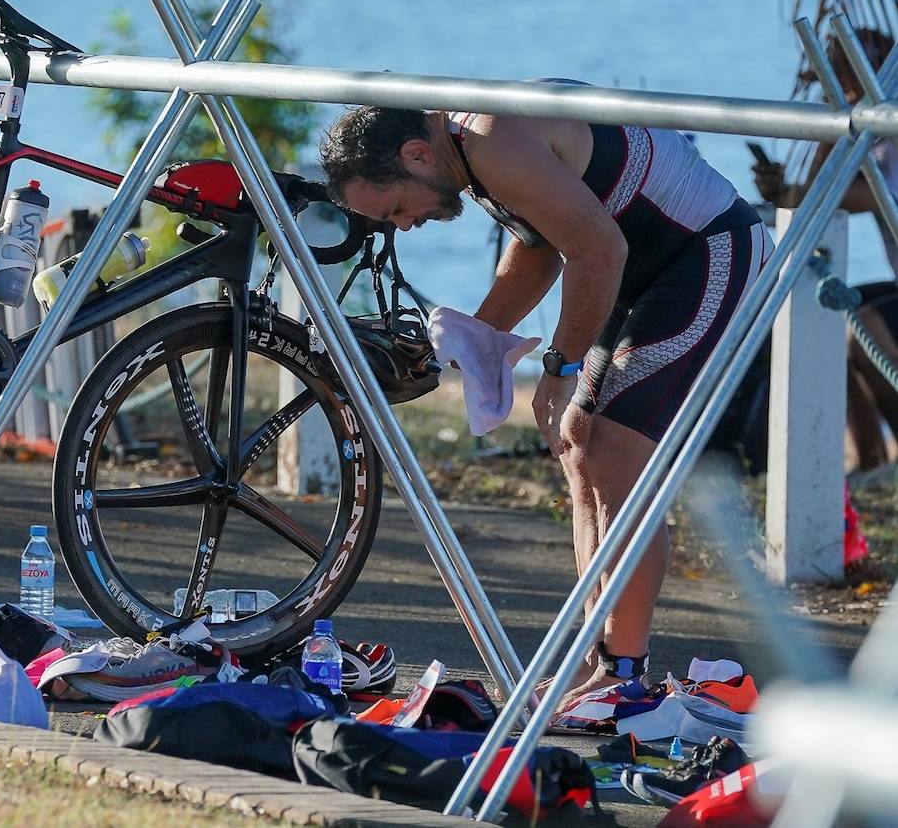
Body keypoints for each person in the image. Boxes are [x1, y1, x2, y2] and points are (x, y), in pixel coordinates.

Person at [319, 95, 773, 709]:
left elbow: (597, 250)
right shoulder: (466, 146)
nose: (404, 225)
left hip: (708, 254)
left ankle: (626, 676)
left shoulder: (493, 139)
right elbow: (538, 244)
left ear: (416, 154)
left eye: (398, 207)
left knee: (614, 455)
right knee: (579, 448)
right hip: (636, 266)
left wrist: (555, 368)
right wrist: (481, 336)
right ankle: (601, 664)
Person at [753, 29, 898, 471]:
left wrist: (839, 114)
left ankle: (881, 460)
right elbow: (823, 192)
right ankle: (871, 459)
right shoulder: (876, 139)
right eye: (840, 70)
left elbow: (832, 194)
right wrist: (782, 191)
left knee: (862, 324)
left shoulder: (891, 133)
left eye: (852, 70)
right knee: (831, 315)